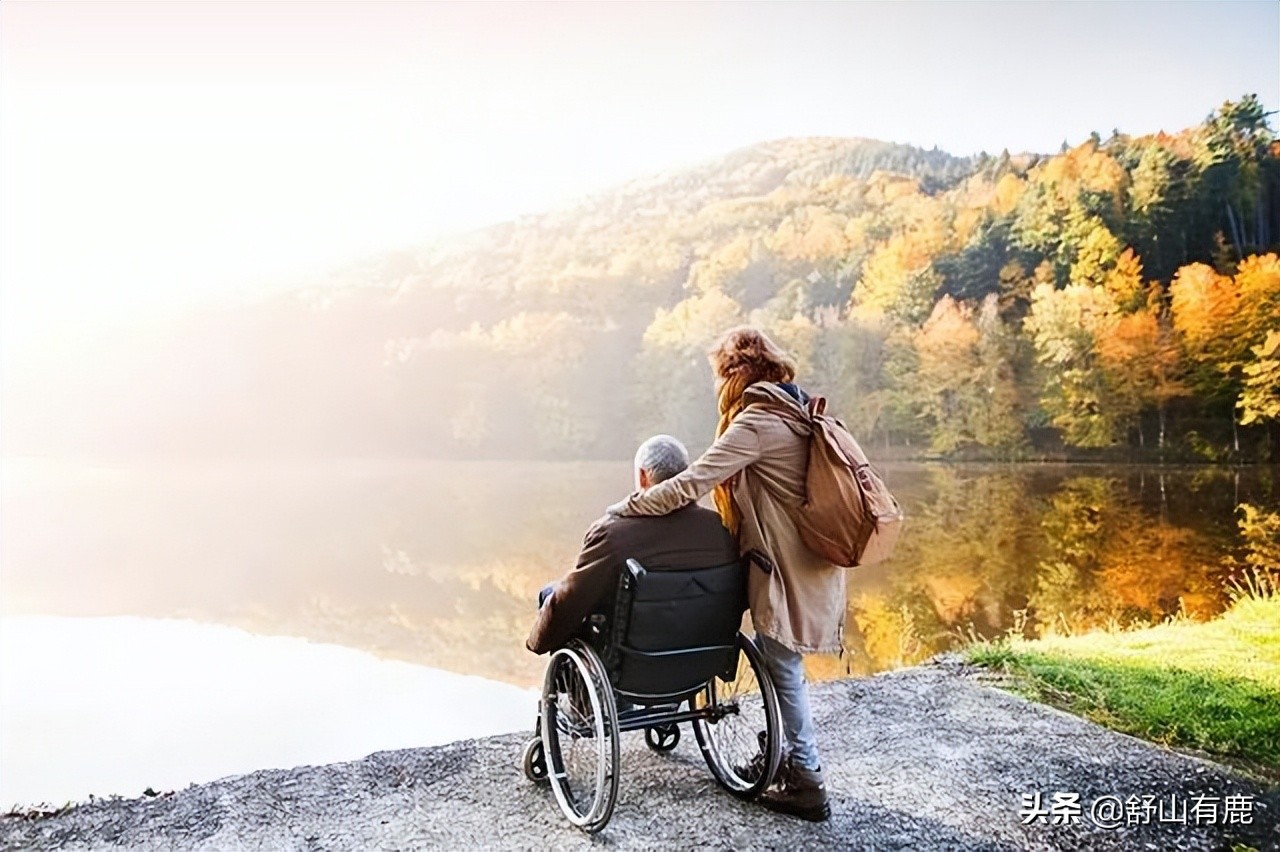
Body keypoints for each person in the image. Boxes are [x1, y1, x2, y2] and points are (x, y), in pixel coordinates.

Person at [607, 326, 843, 822]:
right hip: (809, 561)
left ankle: (807, 777)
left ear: (736, 372)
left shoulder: (756, 422)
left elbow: (691, 482)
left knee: (782, 667)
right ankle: (783, 758)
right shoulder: (795, 409)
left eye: (719, 375)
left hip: (781, 568)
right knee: (784, 665)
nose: (718, 386)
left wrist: (630, 506)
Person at [526, 435, 737, 656]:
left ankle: (566, 689)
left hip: (633, 662)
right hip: (700, 656)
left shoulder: (612, 535)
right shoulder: (720, 528)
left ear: (643, 476)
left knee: (552, 594)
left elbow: (570, 601)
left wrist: (536, 642)